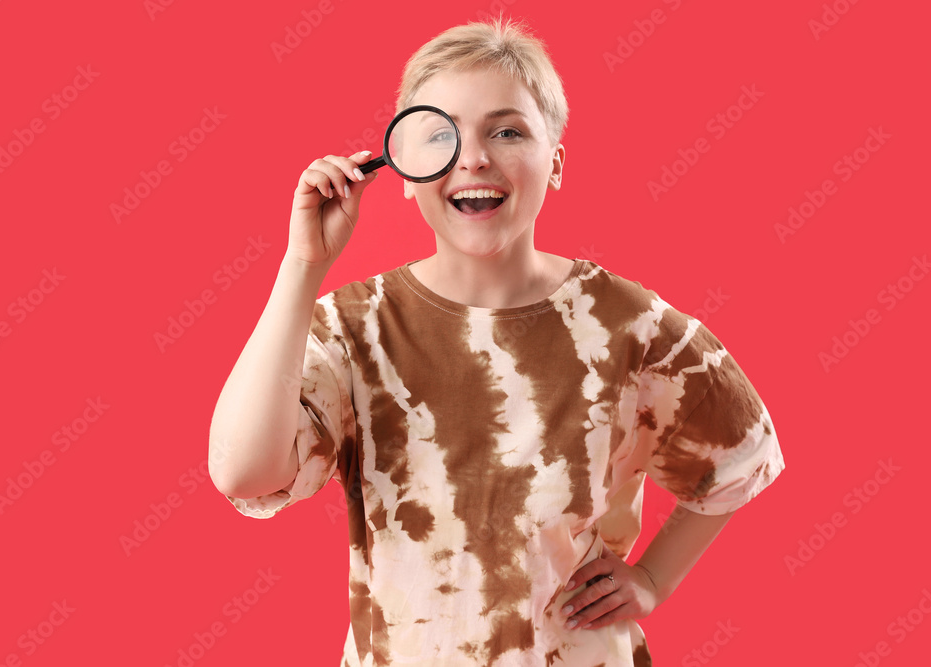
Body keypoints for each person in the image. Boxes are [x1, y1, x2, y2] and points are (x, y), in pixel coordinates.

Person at [208, 15, 785, 667]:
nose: (475, 156)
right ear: (404, 169)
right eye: (440, 135)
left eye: (507, 130)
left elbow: (742, 455)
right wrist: (303, 264)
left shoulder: (628, 324)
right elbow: (244, 469)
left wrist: (654, 578)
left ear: (557, 162)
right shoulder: (352, 325)